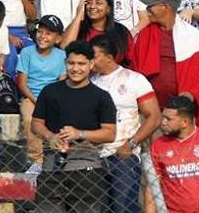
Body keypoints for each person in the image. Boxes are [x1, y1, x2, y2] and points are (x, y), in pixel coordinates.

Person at [31, 41, 117, 213]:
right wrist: (50, 136)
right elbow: (36, 123)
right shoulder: (50, 91)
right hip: (51, 166)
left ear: (91, 65)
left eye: (81, 64)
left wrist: (79, 134)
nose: (76, 68)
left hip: (86, 168)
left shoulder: (101, 97)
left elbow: (109, 133)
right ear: (65, 64)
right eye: (71, 63)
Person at [89, 36, 160, 213]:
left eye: (94, 56)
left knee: (123, 207)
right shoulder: (89, 82)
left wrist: (131, 144)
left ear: (109, 57)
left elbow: (154, 116)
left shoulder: (134, 80)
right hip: (94, 156)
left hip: (122, 155)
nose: (90, 61)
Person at [130, 0, 199, 127]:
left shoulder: (191, 35)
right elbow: (134, 70)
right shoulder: (145, 35)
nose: (147, 9)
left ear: (166, 7)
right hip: (151, 111)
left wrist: (191, 94)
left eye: (151, 5)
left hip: (180, 112)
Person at [17, 15, 68, 172]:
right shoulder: (27, 52)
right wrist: (36, 100)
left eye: (49, 33)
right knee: (29, 119)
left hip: (54, 98)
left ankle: (61, 153)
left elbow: (62, 82)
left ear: (58, 38)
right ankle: (36, 160)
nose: (43, 36)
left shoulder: (61, 56)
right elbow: (21, 83)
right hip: (31, 97)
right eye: (41, 31)